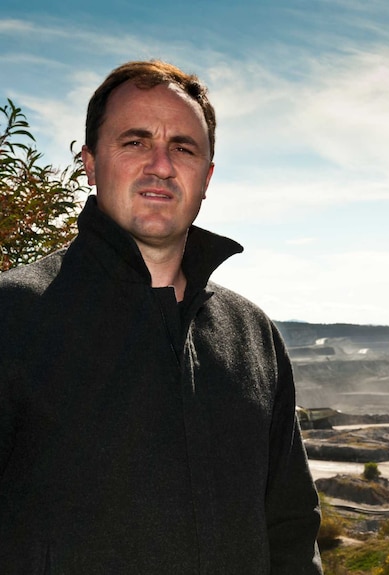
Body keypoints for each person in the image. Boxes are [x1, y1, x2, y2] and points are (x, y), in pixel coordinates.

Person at [0, 61, 323, 573]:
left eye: (183, 147)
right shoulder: (12, 316)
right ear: (90, 161)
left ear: (207, 175)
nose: (161, 165)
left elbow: (290, 526)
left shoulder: (253, 336)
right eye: (134, 142)